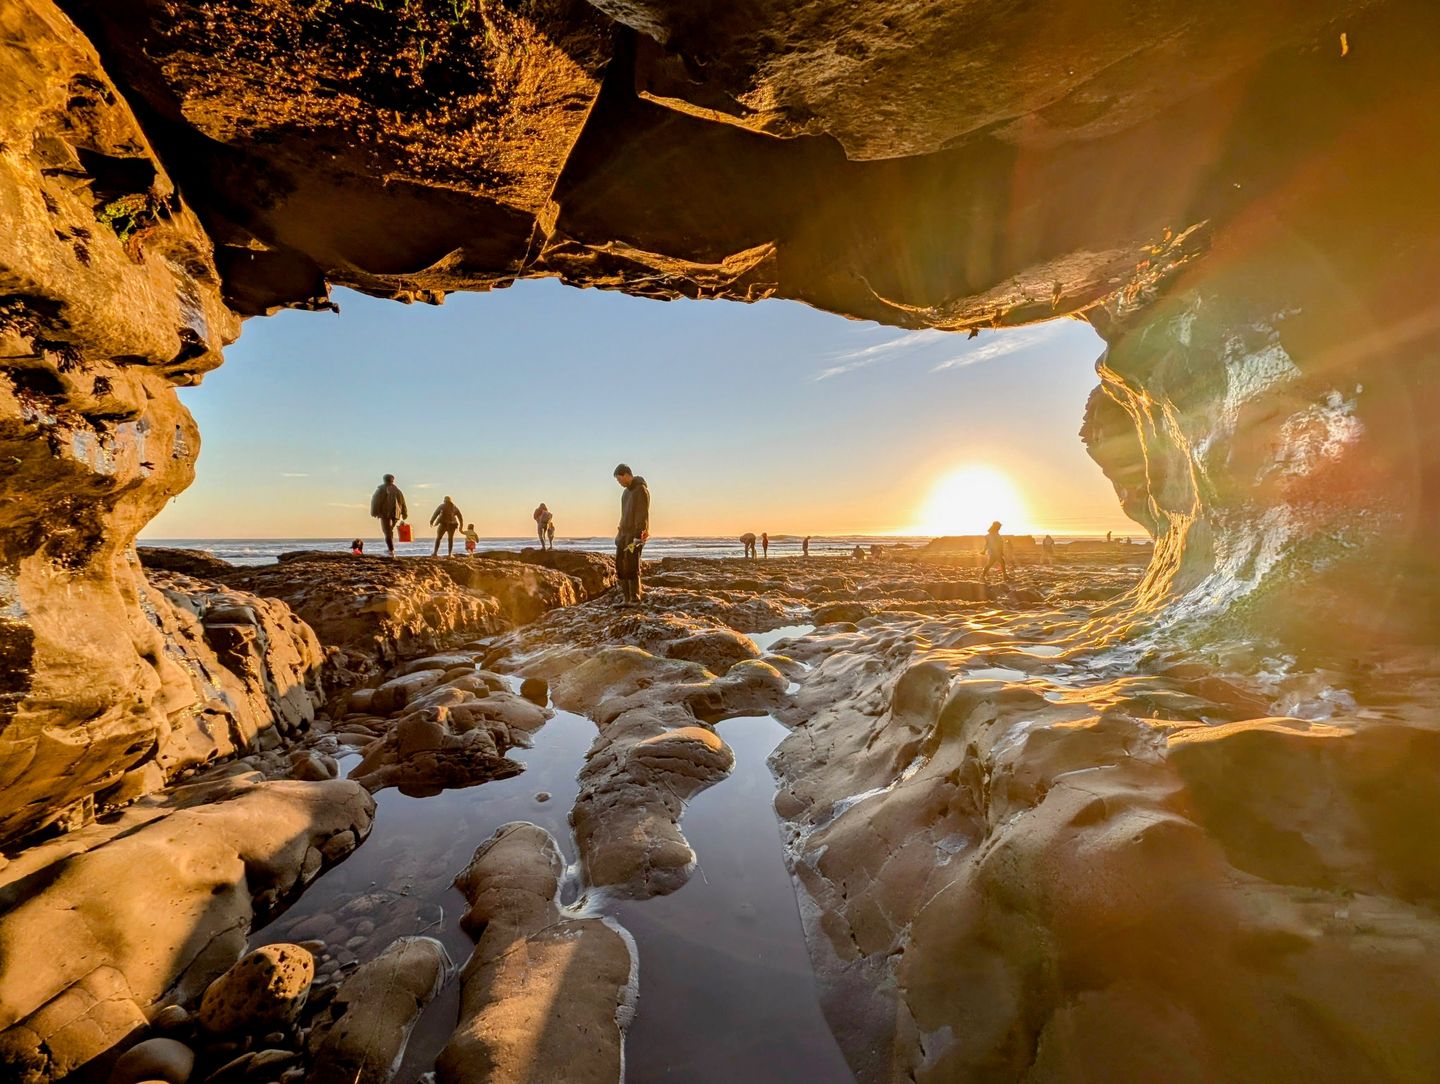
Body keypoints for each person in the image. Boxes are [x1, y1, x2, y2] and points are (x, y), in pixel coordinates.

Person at [613, 464, 650, 605]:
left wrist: (638, 537)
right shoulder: (625, 493)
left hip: (637, 535)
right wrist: (619, 534)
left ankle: (635, 597)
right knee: (620, 564)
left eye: (619, 479)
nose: (619, 482)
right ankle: (626, 598)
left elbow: (642, 516)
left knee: (631, 563)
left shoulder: (640, 490)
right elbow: (623, 515)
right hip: (624, 534)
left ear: (627, 475)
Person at [370, 473, 408, 557]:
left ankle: (391, 551)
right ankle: (390, 549)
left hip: (385, 514)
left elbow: (375, 501)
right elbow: (403, 502)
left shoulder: (381, 489)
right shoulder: (397, 490)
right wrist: (404, 513)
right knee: (389, 531)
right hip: (395, 514)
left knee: (387, 532)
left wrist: (374, 512)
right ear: (392, 480)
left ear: (384, 480)